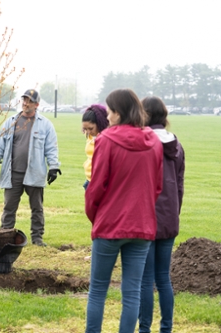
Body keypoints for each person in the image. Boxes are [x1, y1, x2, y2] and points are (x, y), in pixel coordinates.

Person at [84, 88, 163, 333]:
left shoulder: (105, 140)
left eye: (109, 112)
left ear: (118, 113)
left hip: (110, 225)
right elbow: (157, 187)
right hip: (142, 225)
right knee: (132, 293)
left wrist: (95, 216)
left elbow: (96, 186)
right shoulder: (154, 142)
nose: (106, 117)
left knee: (98, 289)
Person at [0, 89, 61, 247]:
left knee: (37, 207)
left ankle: (37, 237)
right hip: (13, 173)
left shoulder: (45, 125)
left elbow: (51, 148)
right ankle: (5, 234)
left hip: (34, 173)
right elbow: (0, 143)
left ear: (37, 104)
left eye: (29, 101)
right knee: (9, 206)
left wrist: (53, 166)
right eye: (24, 99)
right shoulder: (11, 122)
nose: (25, 103)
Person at [139, 96, 185, 333]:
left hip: (145, 219)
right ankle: (166, 328)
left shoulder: (143, 143)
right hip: (169, 218)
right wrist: (173, 214)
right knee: (163, 278)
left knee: (146, 280)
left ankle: (144, 329)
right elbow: (179, 186)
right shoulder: (177, 145)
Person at [81, 104, 108, 190]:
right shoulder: (89, 136)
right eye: (85, 129)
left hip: (99, 182)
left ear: (99, 123)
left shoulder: (106, 139)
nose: (88, 131)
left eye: (91, 128)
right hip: (89, 179)